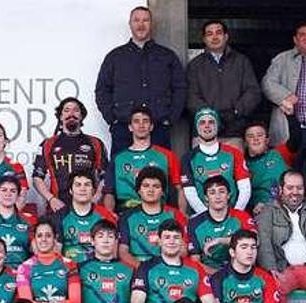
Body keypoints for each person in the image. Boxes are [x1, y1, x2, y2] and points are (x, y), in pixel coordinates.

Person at [95, 6, 186, 155]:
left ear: (151, 24)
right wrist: (112, 119)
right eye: (136, 20)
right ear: (130, 24)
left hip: (158, 129)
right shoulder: (115, 57)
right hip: (124, 129)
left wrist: (170, 118)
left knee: (159, 175)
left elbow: (180, 88)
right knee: (122, 176)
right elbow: (102, 89)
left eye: (145, 20)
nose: (141, 24)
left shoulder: (167, 56)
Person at [131, 220, 216, 303]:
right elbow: (136, 302)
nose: (171, 241)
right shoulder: (146, 267)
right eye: (167, 237)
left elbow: (209, 301)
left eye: (176, 237)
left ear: (182, 241)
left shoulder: (195, 268)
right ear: (159, 241)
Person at [186, 20, 262, 149]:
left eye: (218, 33)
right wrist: (210, 116)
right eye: (209, 34)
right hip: (204, 134)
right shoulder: (195, 65)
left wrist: (236, 111)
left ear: (226, 37)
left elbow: (253, 92)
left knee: (235, 168)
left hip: (235, 132)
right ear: (204, 39)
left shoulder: (241, 61)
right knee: (204, 169)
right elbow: (190, 96)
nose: (214, 37)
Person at [102, 108, 185, 212]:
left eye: (145, 121)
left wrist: (182, 215)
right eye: (136, 121)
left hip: (159, 211)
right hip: (125, 211)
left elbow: (180, 189)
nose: (141, 125)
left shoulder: (167, 155)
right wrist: (110, 216)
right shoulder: (118, 158)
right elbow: (108, 192)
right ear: (130, 127)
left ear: (151, 127)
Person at [33, 98, 108, 210]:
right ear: (60, 116)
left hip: (88, 207)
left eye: (76, 110)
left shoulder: (95, 143)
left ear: (82, 116)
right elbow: (37, 177)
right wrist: (51, 199)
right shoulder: (48, 144)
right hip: (58, 207)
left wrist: (96, 198)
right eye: (67, 110)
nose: (71, 114)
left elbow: (105, 176)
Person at [256, 169, 306, 303]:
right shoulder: (269, 210)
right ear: (280, 189)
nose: (295, 192)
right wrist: (271, 269)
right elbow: (263, 241)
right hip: (283, 268)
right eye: (290, 187)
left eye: (299, 188)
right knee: (275, 291)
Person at [212, 229, 281, 303]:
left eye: (253, 247)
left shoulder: (265, 277)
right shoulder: (218, 279)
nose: (250, 252)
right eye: (244, 247)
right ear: (232, 252)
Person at [182, 107, 251, 214]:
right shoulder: (188, 158)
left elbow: (245, 188)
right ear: (196, 127)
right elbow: (189, 192)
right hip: (202, 216)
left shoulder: (234, 153)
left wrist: (236, 212)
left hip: (232, 213)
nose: (207, 126)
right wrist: (208, 216)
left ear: (217, 125)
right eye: (202, 122)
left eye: (211, 122)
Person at [118, 167, 188, 267]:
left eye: (156, 186)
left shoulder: (175, 215)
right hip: (137, 269)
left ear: (163, 191)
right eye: (146, 186)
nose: (151, 190)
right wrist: (144, 270)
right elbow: (123, 253)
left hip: (168, 268)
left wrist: (163, 267)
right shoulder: (127, 217)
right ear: (139, 190)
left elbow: (184, 250)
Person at [187, 175, 255, 273]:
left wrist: (221, 241)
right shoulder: (194, 223)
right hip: (209, 273)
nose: (217, 197)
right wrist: (218, 275)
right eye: (212, 192)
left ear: (228, 195)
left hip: (241, 271)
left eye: (222, 191)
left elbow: (255, 241)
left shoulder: (242, 216)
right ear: (206, 198)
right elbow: (195, 261)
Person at [51, 170, 116, 263]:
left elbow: (112, 253)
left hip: (98, 269)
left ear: (93, 190)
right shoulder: (59, 217)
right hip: (70, 270)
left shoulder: (105, 216)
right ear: (70, 190)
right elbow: (56, 253)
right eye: (78, 185)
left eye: (87, 185)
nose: (83, 189)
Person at [260, 20, 306, 147]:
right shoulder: (282, 59)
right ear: (295, 40)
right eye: (302, 35)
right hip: (289, 125)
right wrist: (284, 96)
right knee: (286, 165)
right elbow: (267, 83)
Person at [244, 121, 296, 214]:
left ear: (267, 140)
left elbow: (295, 141)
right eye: (251, 136)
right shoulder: (242, 164)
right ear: (245, 142)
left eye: (260, 135)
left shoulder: (277, 153)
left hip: (289, 203)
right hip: (261, 209)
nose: (256, 139)